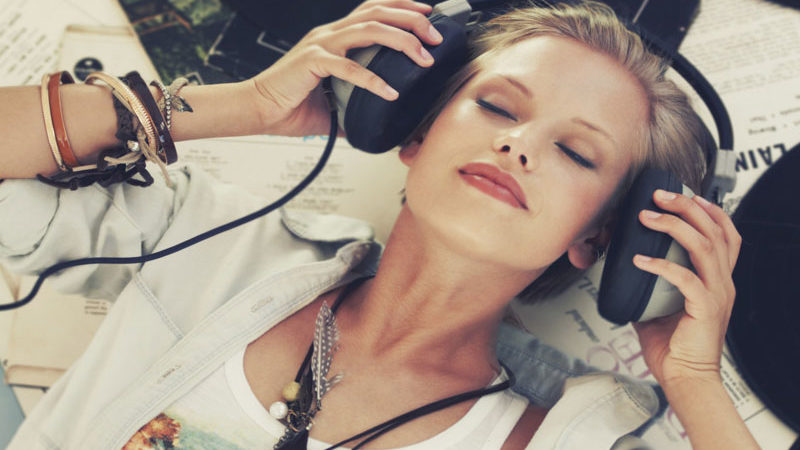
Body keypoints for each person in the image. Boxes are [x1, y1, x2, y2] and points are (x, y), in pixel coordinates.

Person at [0, 0, 757, 448]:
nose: (519, 144)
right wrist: (248, 104)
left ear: (599, 239)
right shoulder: (207, 240)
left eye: (576, 152)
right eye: (497, 106)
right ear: (413, 131)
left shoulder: (563, 437)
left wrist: (694, 382)